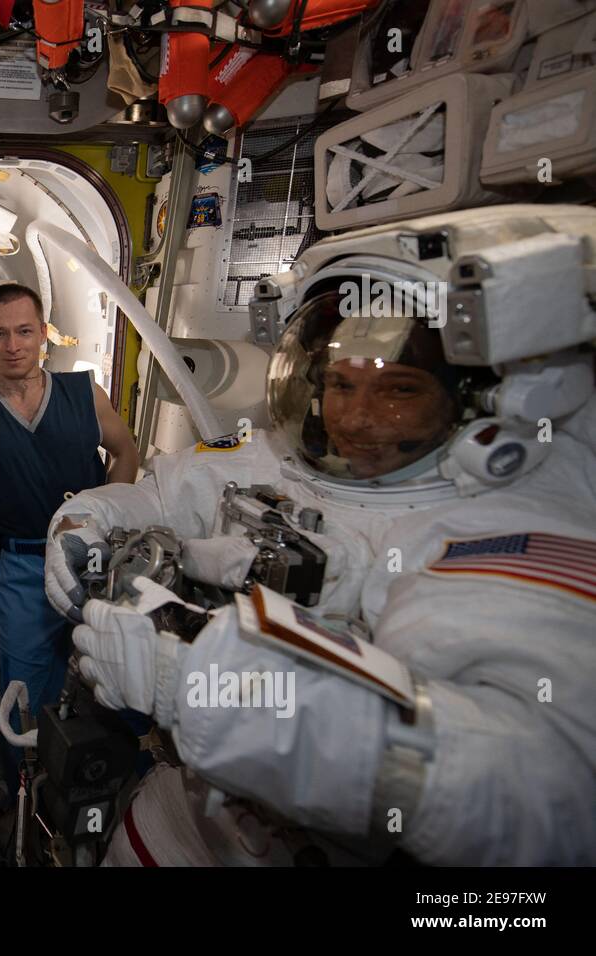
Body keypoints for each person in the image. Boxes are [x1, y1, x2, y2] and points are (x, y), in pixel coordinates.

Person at [45, 208, 596, 865]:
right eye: (339, 384)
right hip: (189, 806)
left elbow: (541, 791)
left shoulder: (507, 531)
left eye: (398, 389)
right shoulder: (272, 459)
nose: (357, 418)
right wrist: (88, 519)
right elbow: (160, 496)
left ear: (477, 402)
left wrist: (226, 697)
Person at [0, 283, 138, 796]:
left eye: (24, 331)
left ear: (44, 336)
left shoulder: (83, 393)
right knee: (25, 695)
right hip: (23, 568)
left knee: (109, 683)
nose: (13, 345)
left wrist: (100, 513)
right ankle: (24, 802)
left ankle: (97, 796)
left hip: (93, 563)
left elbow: (125, 451)